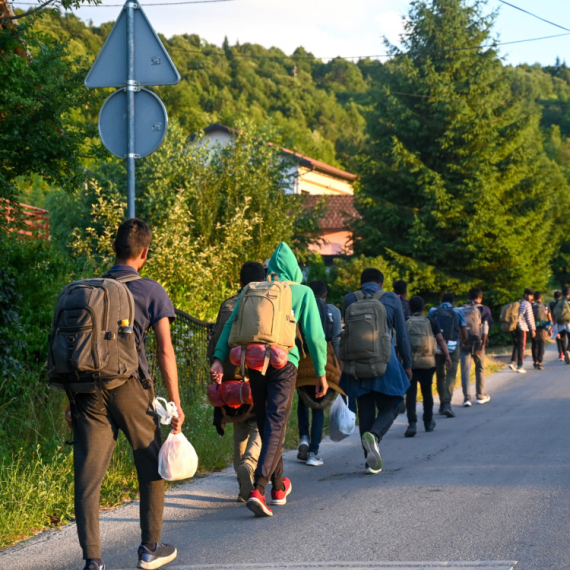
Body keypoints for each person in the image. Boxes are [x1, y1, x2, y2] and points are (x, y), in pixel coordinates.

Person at [65, 219, 184, 570]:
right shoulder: (151, 290)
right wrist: (175, 402)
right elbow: (165, 352)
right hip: (130, 387)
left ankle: (93, 560)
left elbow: (74, 352)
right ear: (144, 253)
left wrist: (71, 401)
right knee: (151, 462)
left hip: (87, 391)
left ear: (114, 249)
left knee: (88, 475)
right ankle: (150, 549)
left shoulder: (89, 290)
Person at [210, 243, 327, 518]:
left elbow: (230, 325)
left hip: (253, 362)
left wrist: (218, 357)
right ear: (294, 269)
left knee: (266, 421)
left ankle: (278, 486)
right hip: (284, 363)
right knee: (276, 422)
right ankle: (258, 488)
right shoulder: (302, 292)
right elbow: (315, 336)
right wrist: (321, 373)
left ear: (271, 270)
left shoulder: (254, 289)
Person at [340, 268, 412, 474]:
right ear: (381, 283)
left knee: (366, 408)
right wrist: (407, 364)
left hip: (356, 364)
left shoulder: (349, 299)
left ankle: (369, 461)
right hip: (384, 362)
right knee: (394, 403)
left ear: (361, 282)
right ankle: (375, 435)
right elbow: (402, 335)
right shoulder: (390, 298)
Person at [207, 262, 265, 502]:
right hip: (256, 378)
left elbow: (214, 344)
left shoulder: (228, 305)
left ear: (240, 281)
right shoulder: (265, 304)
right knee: (260, 425)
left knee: (240, 426)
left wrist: (217, 366)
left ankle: (241, 478)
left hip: (231, 381)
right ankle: (250, 464)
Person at [297, 280, 342, 467]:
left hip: (302, 358)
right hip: (324, 358)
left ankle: (304, 438)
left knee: (302, 399)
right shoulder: (334, 311)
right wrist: (337, 364)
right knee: (318, 404)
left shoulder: (300, 306)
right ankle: (313, 452)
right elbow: (336, 340)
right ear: (324, 294)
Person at [404, 296, 452, 437]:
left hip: (410, 363)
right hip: (428, 363)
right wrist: (447, 356)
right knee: (427, 393)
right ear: (424, 308)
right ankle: (428, 421)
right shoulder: (431, 321)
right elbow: (440, 340)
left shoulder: (406, 321)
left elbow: (399, 342)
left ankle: (412, 424)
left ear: (410, 308)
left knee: (411, 394)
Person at [428, 292, 467, 418]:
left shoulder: (433, 311)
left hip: (437, 346)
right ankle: (446, 403)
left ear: (441, 301)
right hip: (452, 345)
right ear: (453, 302)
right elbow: (464, 332)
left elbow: (429, 329)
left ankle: (442, 404)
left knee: (440, 375)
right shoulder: (458, 311)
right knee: (451, 374)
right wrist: (461, 341)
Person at [460, 287, 493, 405]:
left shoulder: (461, 309)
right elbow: (486, 326)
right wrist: (483, 344)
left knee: (465, 370)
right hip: (478, 342)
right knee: (479, 368)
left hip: (464, 343)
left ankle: (466, 399)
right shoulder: (483, 309)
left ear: (469, 297)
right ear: (480, 297)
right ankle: (480, 395)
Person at [509, 288, 536, 374]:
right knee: (522, 347)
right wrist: (533, 329)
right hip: (522, 327)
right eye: (530, 295)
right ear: (526, 295)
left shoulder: (519, 302)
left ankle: (513, 362)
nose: (532, 297)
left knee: (517, 345)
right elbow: (529, 318)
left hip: (515, 327)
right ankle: (520, 366)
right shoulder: (527, 304)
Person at [531, 291, 550, 370]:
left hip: (533, 327)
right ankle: (540, 362)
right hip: (542, 327)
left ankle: (535, 361)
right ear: (541, 298)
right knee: (541, 344)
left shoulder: (531, 305)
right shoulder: (545, 305)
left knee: (534, 344)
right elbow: (549, 316)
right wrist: (550, 327)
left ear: (534, 298)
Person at [553, 287, 570, 364]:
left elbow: (554, 313)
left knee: (562, 339)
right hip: (569, 322)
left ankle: (565, 351)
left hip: (560, 322)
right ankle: (569, 351)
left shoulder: (558, 302)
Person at [550, 291, 565, 361]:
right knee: (564, 338)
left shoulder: (552, 304)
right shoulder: (564, 303)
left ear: (554, 297)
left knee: (558, 339)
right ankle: (565, 353)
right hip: (563, 322)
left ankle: (561, 355)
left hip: (555, 323)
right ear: (561, 296)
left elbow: (550, 314)